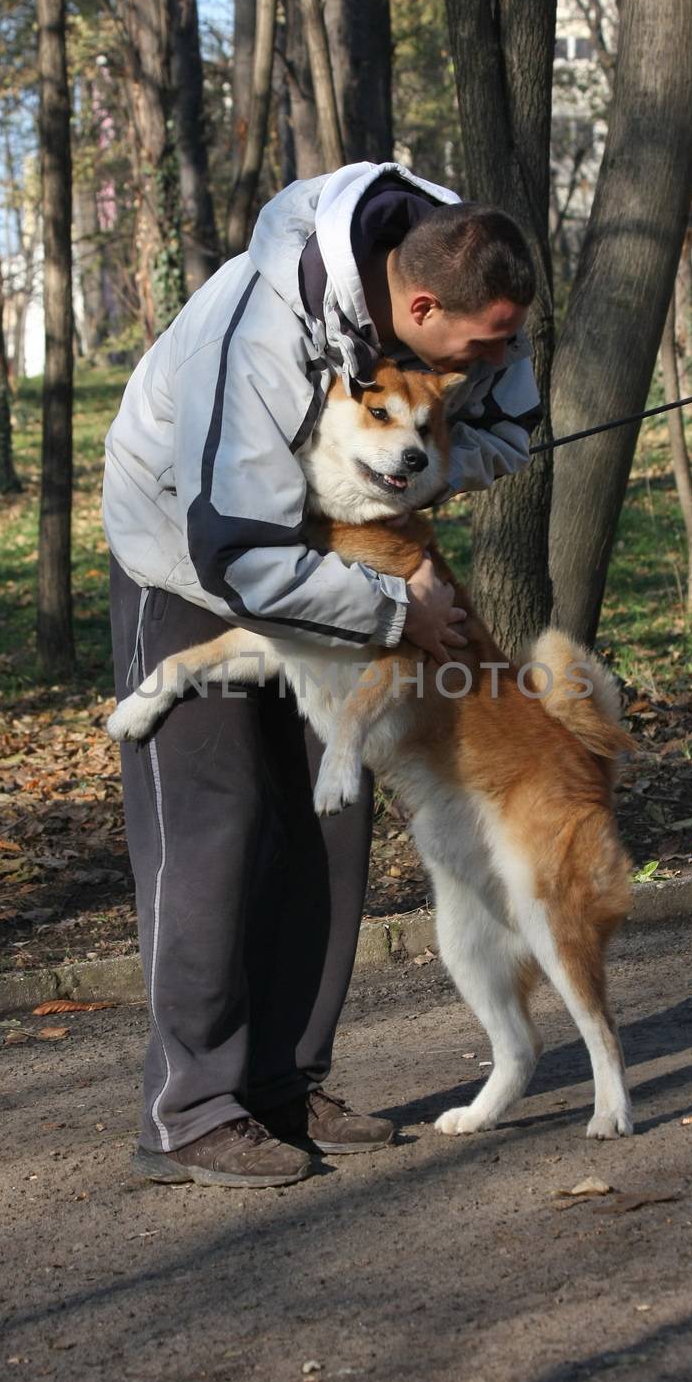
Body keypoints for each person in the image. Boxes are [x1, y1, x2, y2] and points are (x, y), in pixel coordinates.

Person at [103, 160, 540, 1189]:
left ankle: (282, 1079)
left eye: (512, 338)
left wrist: (418, 471)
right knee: (215, 815)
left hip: (341, 547)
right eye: (488, 345)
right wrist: (395, 606)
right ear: (420, 307)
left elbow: (507, 432)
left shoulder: (468, 279)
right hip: (189, 556)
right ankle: (188, 1107)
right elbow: (241, 554)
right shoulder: (255, 330)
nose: (505, 358)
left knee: (326, 814)